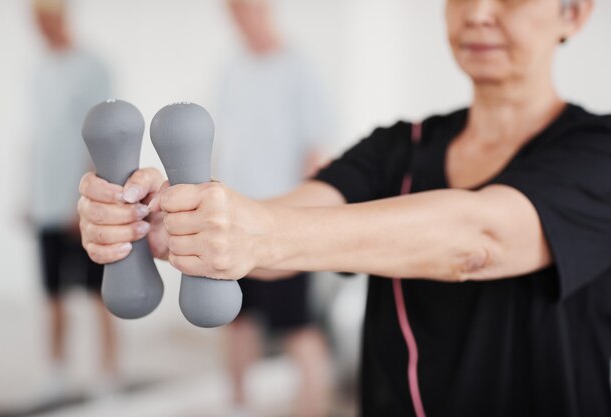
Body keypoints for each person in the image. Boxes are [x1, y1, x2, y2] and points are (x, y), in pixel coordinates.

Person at [77, 0, 611, 415]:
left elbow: (480, 240)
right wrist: (176, 221)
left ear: (575, 13)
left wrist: (256, 233)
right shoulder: (397, 148)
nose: (476, 13)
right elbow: (285, 228)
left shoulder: (599, 151)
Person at [212, 0, 334, 416]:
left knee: (297, 327)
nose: (243, 19)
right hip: (234, 219)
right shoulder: (232, 70)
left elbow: (315, 153)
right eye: (235, 12)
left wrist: (300, 225)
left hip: (281, 223)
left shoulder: (299, 68)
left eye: (248, 9)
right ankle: (238, 404)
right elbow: (226, 147)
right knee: (236, 319)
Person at [29, 0, 116, 400]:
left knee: (101, 293)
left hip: (80, 204)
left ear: (59, 17)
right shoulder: (40, 71)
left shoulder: (93, 68)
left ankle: (108, 375)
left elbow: (100, 136)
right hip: (45, 203)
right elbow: (37, 138)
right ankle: (55, 374)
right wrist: (30, 196)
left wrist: (79, 198)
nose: (39, 28)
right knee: (52, 295)